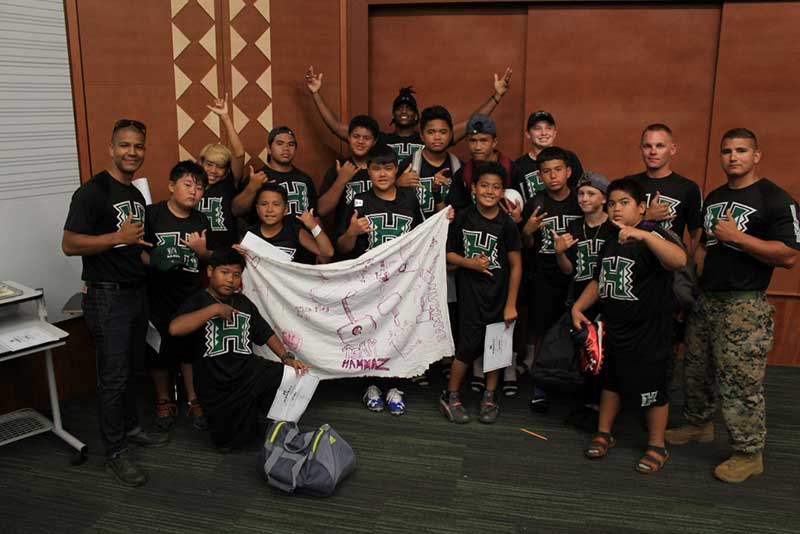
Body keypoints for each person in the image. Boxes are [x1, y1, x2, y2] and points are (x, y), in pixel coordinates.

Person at [665, 128, 800, 483]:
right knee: (695, 369)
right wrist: (691, 282)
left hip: (745, 305)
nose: (733, 157)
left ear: (757, 155)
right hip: (707, 300)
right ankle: (698, 423)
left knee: (740, 381)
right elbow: (705, 246)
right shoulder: (714, 197)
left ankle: (748, 451)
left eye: (741, 150)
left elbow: (788, 256)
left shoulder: (775, 199)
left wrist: (737, 237)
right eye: (727, 151)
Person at [62, 118, 168, 487]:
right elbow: (70, 244)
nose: (132, 152)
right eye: (125, 145)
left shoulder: (136, 195)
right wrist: (116, 236)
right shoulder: (91, 192)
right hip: (107, 296)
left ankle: (131, 427)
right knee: (113, 376)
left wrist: (157, 257)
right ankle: (116, 452)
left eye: (138, 146)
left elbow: (131, 247)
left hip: (135, 293)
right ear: (111, 147)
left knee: (131, 369)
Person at [571, 178, 687, 474]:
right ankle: (605, 432)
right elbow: (599, 280)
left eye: (624, 203)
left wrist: (645, 235)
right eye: (612, 203)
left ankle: (657, 445)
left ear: (641, 208)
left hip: (649, 331)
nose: (617, 209)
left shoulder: (655, 235)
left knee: (653, 390)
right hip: (615, 327)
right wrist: (578, 306)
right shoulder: (610, 238)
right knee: (611, 382)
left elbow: (679, 260)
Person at [169, 248, 311, 451]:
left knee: (291, 375)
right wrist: (215, 309)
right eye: (224, 272)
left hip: (248, 372)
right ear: (210, 272)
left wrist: (286, 357)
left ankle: (268, 420)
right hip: (216, 385)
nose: (230, 280)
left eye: (236, 275)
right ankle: (246, 419)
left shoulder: (243, 302)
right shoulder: (197, 301)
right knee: (227, 445)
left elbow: (265, 332)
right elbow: (175, 329)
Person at [337, 144, 426, 414]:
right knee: (371, 332)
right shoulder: (360, 200)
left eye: (388, 167)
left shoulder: (410, 197)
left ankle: (396, 385)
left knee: (400, 331)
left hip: (402, 282)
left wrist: (444, 221)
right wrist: (352, 231)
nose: (383, 173)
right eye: (376, 168)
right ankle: (372, 384)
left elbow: (424, 235)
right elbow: (341, 248)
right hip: (369, 283)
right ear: (368, 170)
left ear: (396, 169)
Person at [440, 161, 521, 424]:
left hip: (498, 296)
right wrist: (469, 263)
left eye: (496, 187)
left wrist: (511, 303)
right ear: (473, 188)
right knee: (466, 347)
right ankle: (450, 394)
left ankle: (490, 394)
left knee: (495, 347)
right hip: (470, 297)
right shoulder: (463, 217)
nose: (489, 191)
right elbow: (448, 253)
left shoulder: (506, 223)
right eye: (484, 185)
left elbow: (517, 265)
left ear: (502, 191)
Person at [304, 66, 512, 162]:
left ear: (416, 116)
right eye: (399, 108)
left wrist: (497, 96)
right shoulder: (381, 140)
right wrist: (316, 94)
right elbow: (337, 127)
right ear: (393, 114)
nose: (404, 111)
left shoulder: (430, 138)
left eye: (409, 108)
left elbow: (471, 123)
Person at [143, 160, 211, 432]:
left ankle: (193, 399)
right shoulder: (153, 215)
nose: (194, 192)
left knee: (190, 350)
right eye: (187, 185)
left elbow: (208, 259)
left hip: (190, 295)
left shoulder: (200, 220)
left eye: (199, 187)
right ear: (171, 186)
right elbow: (135, 249)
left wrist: (200, 249)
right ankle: (163, 399)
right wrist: (154, 262)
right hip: (159, 294)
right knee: (158, 349)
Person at [520, 147, 582, 412]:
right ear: (540, 175)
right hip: (543, 277)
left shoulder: (580, 200)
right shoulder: (536, 202)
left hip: (576, 277)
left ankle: (575, 382)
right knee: (543, 331)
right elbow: (524, 243)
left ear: (568, 171)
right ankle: (541, 385)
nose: (553, 176)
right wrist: (527, 231)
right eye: (546, 171)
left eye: (558, 169)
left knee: (575, 331)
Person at [554, 171, 613, 417]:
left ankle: (603, 403)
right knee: (583, 351)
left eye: (591, 193)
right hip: (579, 296)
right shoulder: (575, 226)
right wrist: (560, 253)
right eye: (581, 193)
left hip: (607, 299)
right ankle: (587, 401)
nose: (584, 198)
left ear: (603, 198)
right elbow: (569, 270)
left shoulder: (613, 227)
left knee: (604, 353)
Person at [624, 123, 703, 254]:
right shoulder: (628, 184)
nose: (653, 151)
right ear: (641, 149)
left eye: (660, 146)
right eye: (647, 146)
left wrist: (687, 263)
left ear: (672, 149)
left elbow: (696, 233)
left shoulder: (688, 188)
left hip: (668, 266)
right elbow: (615, 227)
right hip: (632, 261)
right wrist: (647, 216)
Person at [232, 126, 318, 223]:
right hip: (266, 237)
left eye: (291, 144)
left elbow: (315, 216)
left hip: (301, 236)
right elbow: (236, 211)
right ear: (269, 149)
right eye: (280, 143)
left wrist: (317, 237)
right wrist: (252, 188)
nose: (286, 148)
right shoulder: (258, 177)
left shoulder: (304, 179)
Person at [318, 114, 380, 239]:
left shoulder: (381, 170)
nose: (361, 141)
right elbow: (321, 210)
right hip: (345, 240)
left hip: (376, 238)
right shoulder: (339, 168)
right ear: (348, 137)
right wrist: (341, 180)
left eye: (366, 138)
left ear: (374, 141)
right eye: (356, 136)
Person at [197, 95, 246, 250]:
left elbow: (239, 154)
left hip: (226, 250)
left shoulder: (227, 184)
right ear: (201, 163)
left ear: (226, 172)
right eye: (209, 164)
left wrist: (225, 117)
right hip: (197, 250)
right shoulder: (191, 186)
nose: (213, 171)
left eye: (219, 166)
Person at [247, 182, 334, 263]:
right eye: (264, 204)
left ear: (286, 209)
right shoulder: (249, 234)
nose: (270, 209)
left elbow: (327, 252)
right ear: (257, 209)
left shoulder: (295, 232)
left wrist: (314, 226)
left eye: (276, 204)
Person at [512, 111, 584, 203]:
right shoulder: (518, 165)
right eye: (537, 129)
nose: (544, 133)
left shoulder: (569, 158)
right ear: (528, 134)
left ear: (554, 132)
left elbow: (581, 190)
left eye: (548, 128)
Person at [406, 105, 461, 219]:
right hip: (417, 233)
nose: (437, 137)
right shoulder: (409, 165)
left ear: (450, 135)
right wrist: (397, 184)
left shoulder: (459, 166)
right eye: (431, 132)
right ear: (422, 135)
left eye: (443, 132)